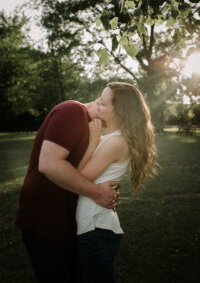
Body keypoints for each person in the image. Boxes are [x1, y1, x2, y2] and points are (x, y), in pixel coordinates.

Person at [14, 99, 119, 283]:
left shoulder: (92, 129)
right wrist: (97, 192)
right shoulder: (72, 111)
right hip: (45, 218)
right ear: (105, 104)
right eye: (120, 116)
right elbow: (49, 164)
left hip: (66, 221)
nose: (119, 123)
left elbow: (79, 172)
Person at [76, 82, 157, 283]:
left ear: (118, 112)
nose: (97, 105)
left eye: (103, 104)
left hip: (96, 229)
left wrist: (93, 142)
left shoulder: (115, 142)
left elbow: (79, 177)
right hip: (95, 227)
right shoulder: (111, 138)